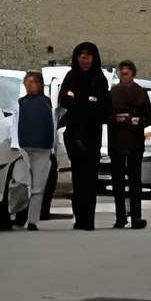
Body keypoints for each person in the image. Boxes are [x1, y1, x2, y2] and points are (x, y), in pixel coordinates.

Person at [56, 41, 110, 229]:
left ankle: (88, 219)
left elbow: (101, 106)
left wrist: (80, 100)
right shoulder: (71, 76)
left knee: (89, 178)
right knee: (77, 177)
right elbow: (65, 99)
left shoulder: (99, 79)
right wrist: (85, 101)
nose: (85, 59)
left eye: (89, 55)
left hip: (92, 135)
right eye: (81, 55)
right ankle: (79, 217)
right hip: (73, 134)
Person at [108, 59, 151, 230]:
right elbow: (106, 115)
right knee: (118, 181)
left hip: (134, 141)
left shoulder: (140, 93)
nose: (123, 76)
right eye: (121, 73)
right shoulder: (112, 93)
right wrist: (116, 119)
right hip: (117, 140)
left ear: (132, 74)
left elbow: (149, 118)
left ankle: (136, 216)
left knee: (135, 180)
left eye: (126, 74)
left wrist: (138, 121)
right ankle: (120, 217)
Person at [10, 70, 56, 227]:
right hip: (24, 146)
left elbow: (52, 124)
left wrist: (53, 147)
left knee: (38, 186)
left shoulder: (48, 103)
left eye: (34, 82)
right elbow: (14, 124)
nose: (31, 86)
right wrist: (15, 145)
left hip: (43, 146)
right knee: (20, 180)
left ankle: (33, 220)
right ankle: (16, 211)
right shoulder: (20, 103)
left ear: (41, 85)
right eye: (28, 83)